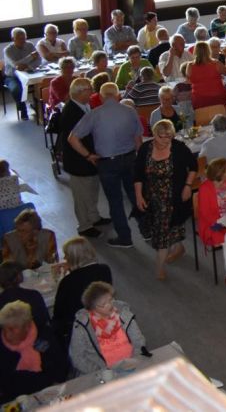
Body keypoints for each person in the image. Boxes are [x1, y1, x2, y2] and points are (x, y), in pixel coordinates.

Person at [67, 82, 143, 249]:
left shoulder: (95, 114)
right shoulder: (130, 112)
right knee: (135, 195)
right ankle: (147, 230)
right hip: (130, 159)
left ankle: (125, 237)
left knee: (115, 201)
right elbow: (138, 141)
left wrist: (88, 155)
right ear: (118, 96)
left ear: (100, 97)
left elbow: (72, 138)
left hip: (107, 162)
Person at [135, 119, 197, 280]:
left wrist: (188, 186)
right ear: (154, 134)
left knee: (163, 232)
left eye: (169, 137)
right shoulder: (145, 149)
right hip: (152, 198)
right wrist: (139, 195)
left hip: (174, 197)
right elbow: (138, 174)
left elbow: (193, 166)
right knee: (168, 228)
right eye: (162, 137)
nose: (166, 140)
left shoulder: (178, 148)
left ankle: (159, 267)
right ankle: (179, 248)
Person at [57, 79, 104, 237]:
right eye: (88, 89)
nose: (91, 91)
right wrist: (88, 155)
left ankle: (94, 216)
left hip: (89, 157)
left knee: (92, 188)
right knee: (81, 193)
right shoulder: (71, 111)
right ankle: (84, 225)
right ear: (78, 92)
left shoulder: (84, 105)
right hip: (78, 159)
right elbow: (74, 139)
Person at [68, 281, 146, 375]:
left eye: (110, 300)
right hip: (101, 373)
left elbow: (139, 340)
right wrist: (102, 372)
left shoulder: (123, 314)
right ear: (92, 308)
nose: (110, 305)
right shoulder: (82, 326)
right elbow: (77, 357)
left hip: (131, 365)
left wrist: (134, 361)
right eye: (103, 304)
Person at [0, 301, 67, 399]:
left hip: (48, 393)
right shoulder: (2, 347)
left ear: (26, 327)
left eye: (12, 329)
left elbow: (60, 366)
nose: (7, 334)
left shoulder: (43, 337)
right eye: (4, 328)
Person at [195, 159, 226, 292]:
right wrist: (224, 222)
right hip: (213, 225)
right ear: (219, 173)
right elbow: (205, 214)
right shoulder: (205, 188)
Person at [51, 238, 111, 345]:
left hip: (77, 324)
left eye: (66, 255)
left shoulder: (68, 281)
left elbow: (58, 311)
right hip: (102, 318)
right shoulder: (104, 269)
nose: (64, 258)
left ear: (73, 257)